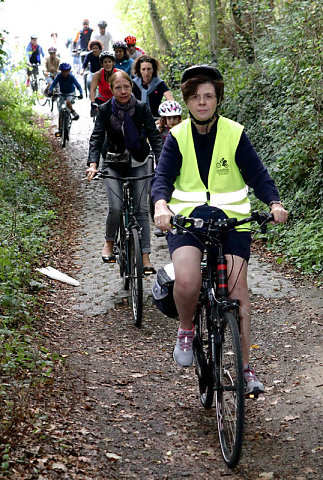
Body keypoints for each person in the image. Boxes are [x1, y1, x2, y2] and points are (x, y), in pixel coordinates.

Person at [151, 65, 288, 395]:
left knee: (238, 291)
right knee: (187, 279)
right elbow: (163, 180)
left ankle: (245, 367)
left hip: (232, 221)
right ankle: (186, 330)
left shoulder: (234, 134)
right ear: (186, 101)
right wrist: (161, 206)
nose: (202, 102)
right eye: (196, 97)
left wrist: (274, 203)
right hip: (188, 221)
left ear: (218, 100)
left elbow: (258, 175)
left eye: (208, 96)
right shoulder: (177, 137)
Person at [86, 70, 162, 273]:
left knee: (142, 210)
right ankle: (109, 243)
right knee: (116, 207)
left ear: (131, 88)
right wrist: (93, 163)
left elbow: (154, 136)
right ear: (111, 90)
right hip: (113, 162)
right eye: (118, 87)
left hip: (139, 161)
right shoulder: (104, 110)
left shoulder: (141, 108)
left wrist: (162, 162)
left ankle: (145, 257)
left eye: (126, 87)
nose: (123, 91)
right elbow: (96, 137)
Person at [48, 63, 83, 136]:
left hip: (71, 93)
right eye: (63, 71)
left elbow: (78, 85)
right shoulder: (59, 76)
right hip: (62, 93)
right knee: (60, 112)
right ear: (61, 71)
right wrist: (50, 91)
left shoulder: (71, 77)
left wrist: (81, 93)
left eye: (66, 71)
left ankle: (73, 112)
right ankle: (60, 129)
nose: (65, 73)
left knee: (68, 102)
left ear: (69, 71)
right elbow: (53, 84)